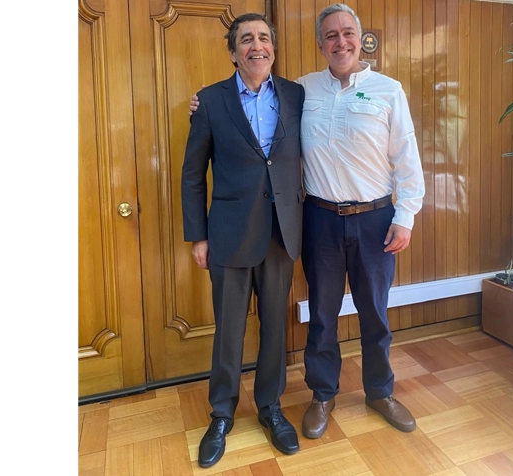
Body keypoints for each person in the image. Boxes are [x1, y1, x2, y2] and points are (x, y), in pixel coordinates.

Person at [189, 3, 425, 440]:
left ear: (359, 39)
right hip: (318, 219)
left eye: (347, 33)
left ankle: (380, 392)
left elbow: (407, 158)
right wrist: (203, 102)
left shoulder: (386, 90)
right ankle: (322, 394)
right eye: (331, 35)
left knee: (375, 314)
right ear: (320, 44)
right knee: (321, 315)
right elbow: (219, 139)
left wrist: (406, 215)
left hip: (375, 219)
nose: (341, 41)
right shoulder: (302, 90)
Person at [180, 12, 304, 468]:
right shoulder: (211, 101)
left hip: (281, 232)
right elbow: (193, 175)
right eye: (247, 39)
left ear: (273, 47)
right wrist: (197, 236)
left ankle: (270, 406)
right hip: (229, 235)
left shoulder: (296, 95)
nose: (257, 46)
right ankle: (221, 414)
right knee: (229, 330)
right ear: (233, 52)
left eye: (264, 38)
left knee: (274, 327)